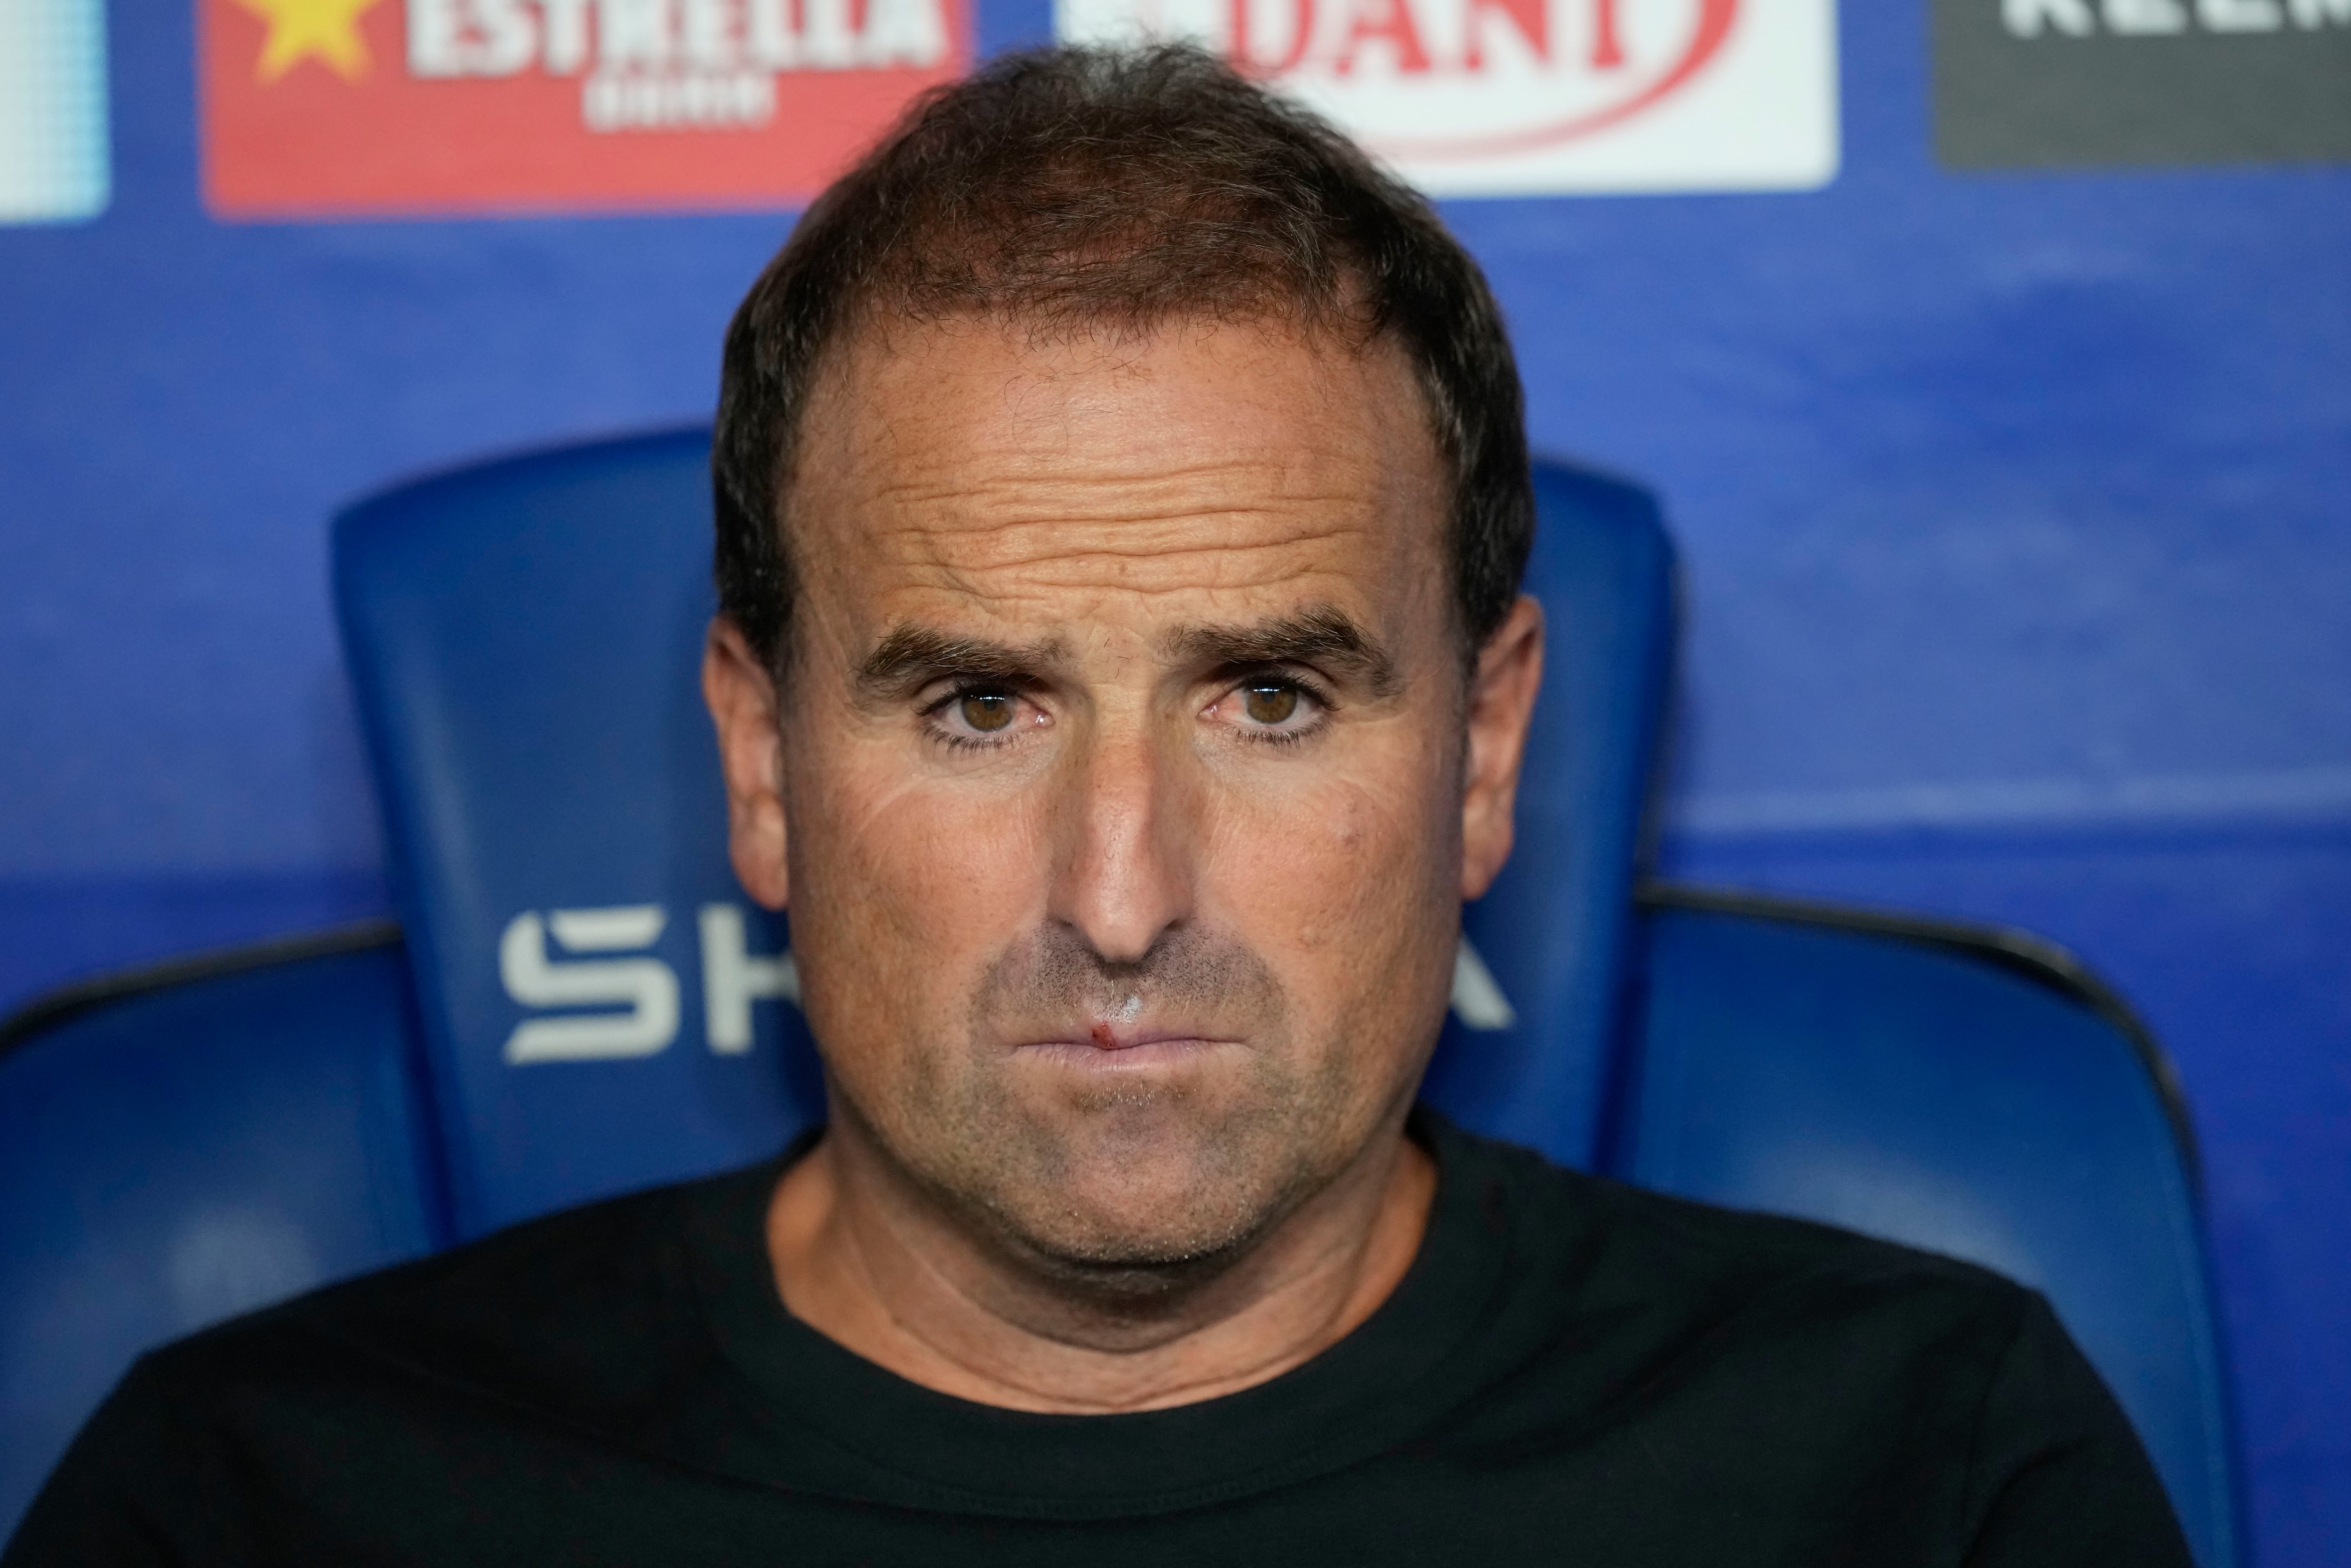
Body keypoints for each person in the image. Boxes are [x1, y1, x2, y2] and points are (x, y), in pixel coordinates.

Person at [6, 45, 2189, 1567]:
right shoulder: (258, 1507)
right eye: (976, 705)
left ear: (1483, 751)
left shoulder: (1918, 1473)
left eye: (1268, 698)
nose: (1122, 897)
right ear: (759, 766)